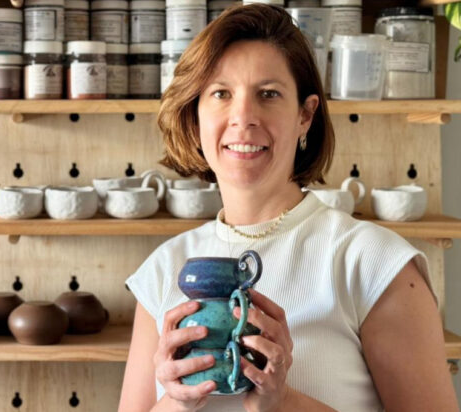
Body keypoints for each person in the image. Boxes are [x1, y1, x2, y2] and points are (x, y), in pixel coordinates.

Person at [118, 4, 457, 412]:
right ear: (195, 115)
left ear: (305, 115)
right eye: (221, 94)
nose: (243, 117)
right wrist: (178, 401)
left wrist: (284, 401)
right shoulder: (163, 270)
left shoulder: (373, 263)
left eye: (268, 94)